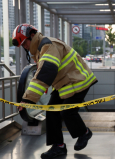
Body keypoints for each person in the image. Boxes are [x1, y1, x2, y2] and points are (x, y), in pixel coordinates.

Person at [12, 24, 98, 159]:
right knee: (51, 111)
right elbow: (46, 72)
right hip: (65, 83)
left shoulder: (48, 46)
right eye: (22, 45)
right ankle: (58, 146)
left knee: (67, 111)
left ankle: (84, 133)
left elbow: (46, 72)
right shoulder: (41, 49)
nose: (25, 47)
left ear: (32, 35)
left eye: (25, 42)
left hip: (79, 80)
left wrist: (27, 100)